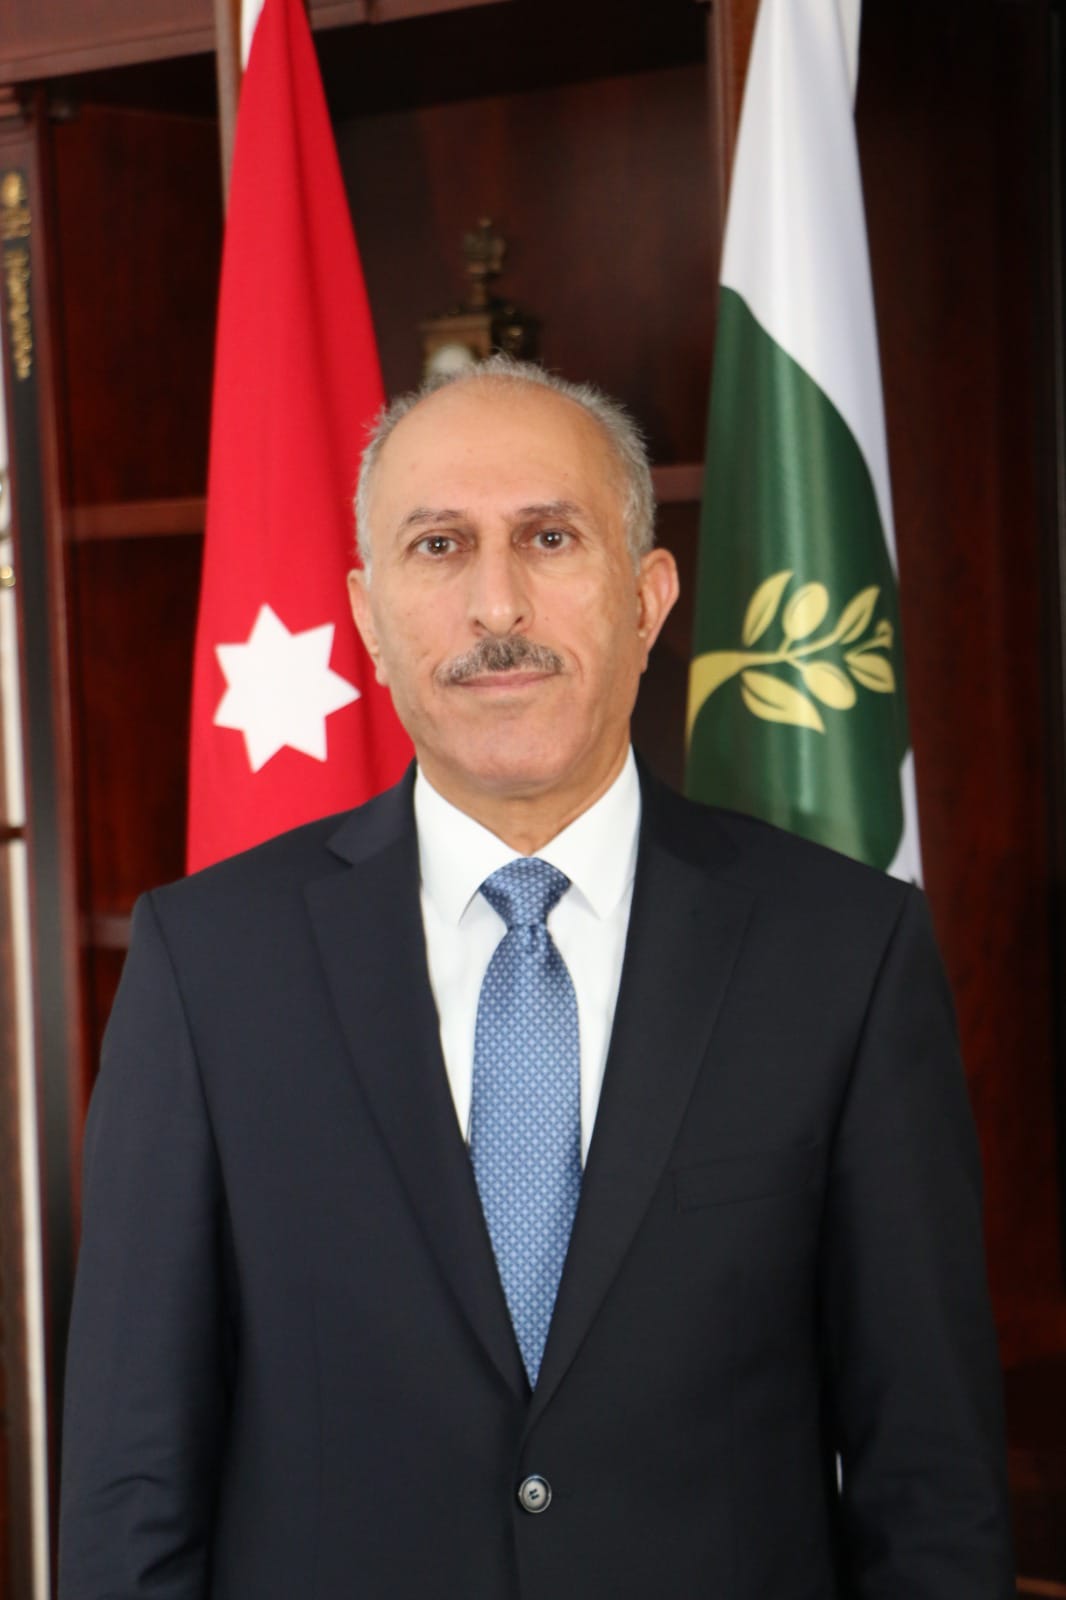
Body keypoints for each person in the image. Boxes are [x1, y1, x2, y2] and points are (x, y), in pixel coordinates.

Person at [58, 357, 1014, 1598]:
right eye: (439, 546)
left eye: (549, 537)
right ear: (368, 617)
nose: (495, 603)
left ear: (647, 598)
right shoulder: (207, 963)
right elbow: (129, 1487)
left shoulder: (846, 950)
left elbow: (930, 1485)